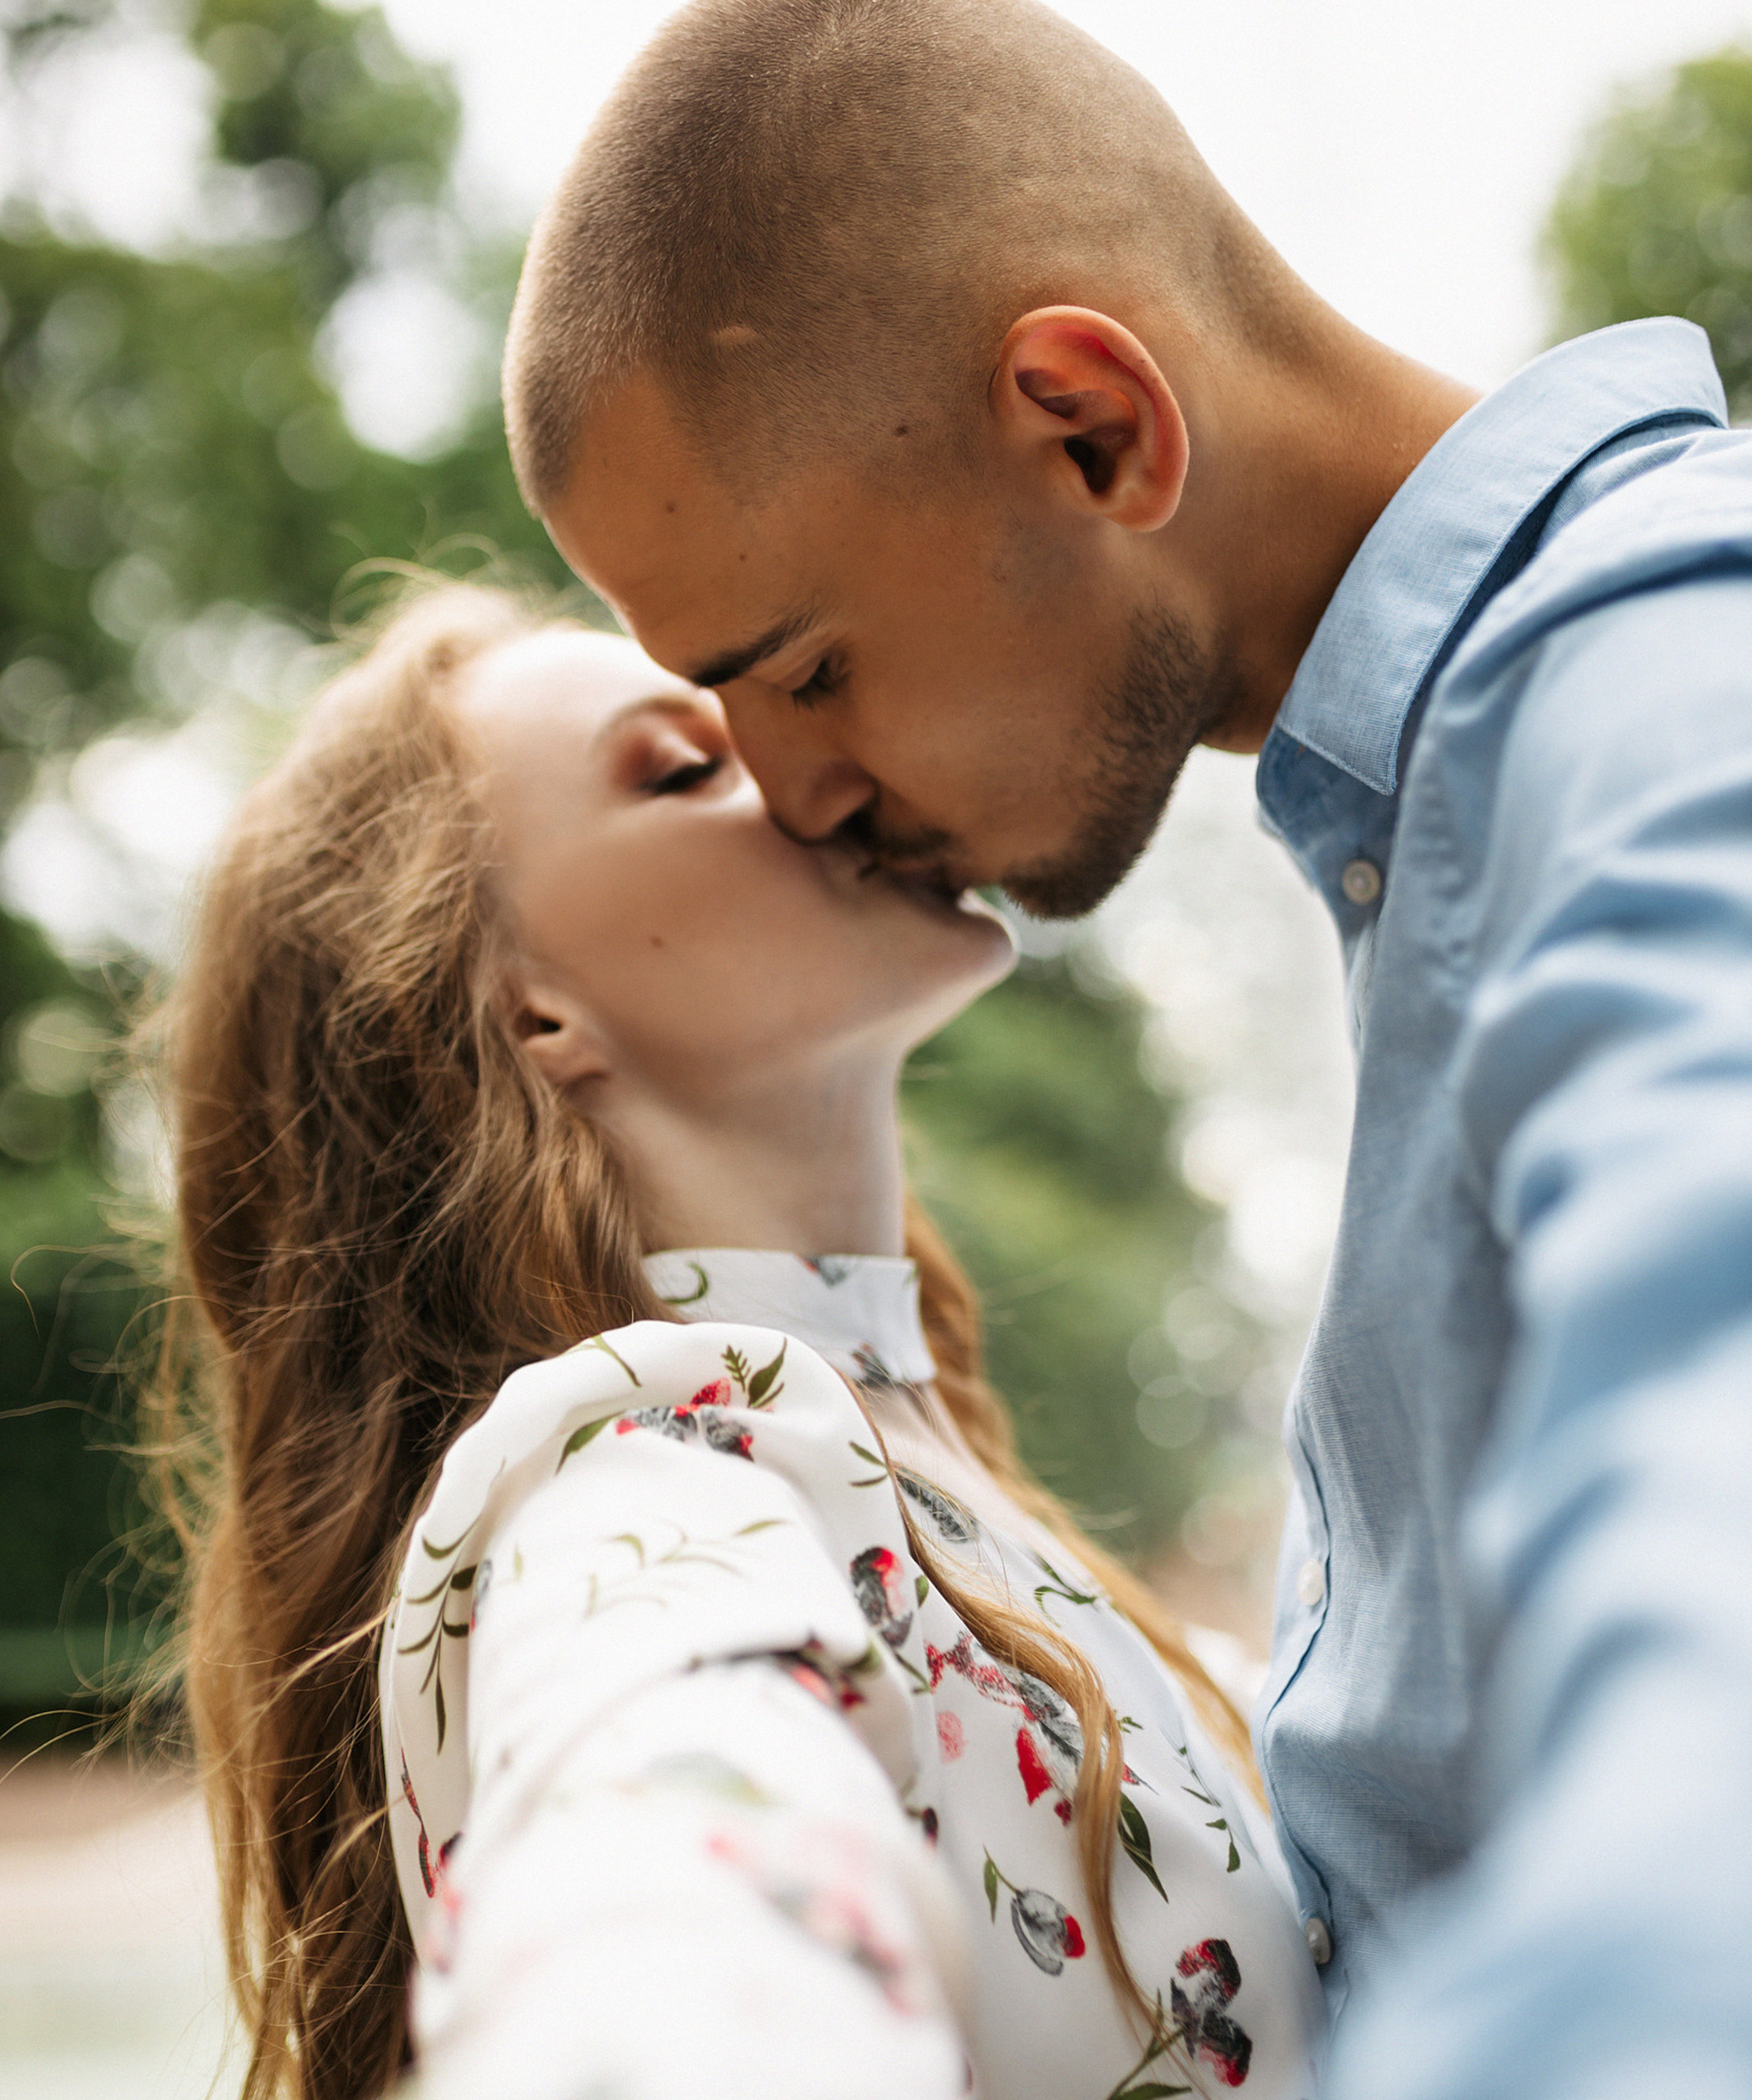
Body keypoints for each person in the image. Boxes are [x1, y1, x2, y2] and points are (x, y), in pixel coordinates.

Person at [497, 3, 1752, 2098]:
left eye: (800, 670)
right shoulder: (1462, 792)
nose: (791, 794)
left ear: (1087, 425)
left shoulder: (1663, 709)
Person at [150, 582, 1325, 2099]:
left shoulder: (916, 1460)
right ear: (530, 1017)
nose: (804, 761)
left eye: (787, 693)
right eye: (684, 765)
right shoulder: (638, 1474)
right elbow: (673, 1851)